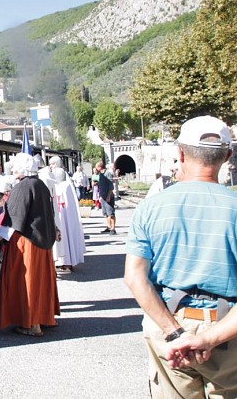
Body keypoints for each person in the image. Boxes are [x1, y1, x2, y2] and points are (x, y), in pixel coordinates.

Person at [124, 115, 237, 397]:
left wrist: (176, 333)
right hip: (229, 329)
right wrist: (209, 338)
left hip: (169, 324)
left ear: (180, 153)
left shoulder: (151, 209)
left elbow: (135, 277)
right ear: (228, 155)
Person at [0, 152, 60, 337]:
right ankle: (42, 317)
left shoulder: (22, 187)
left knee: (26, 280)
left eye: (15, 166)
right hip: (42, 241)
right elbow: (49, 213)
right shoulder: (41, 185)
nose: (13, 169)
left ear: (22, 169)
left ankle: (32, 323)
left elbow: (13, 217)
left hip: (26, 243)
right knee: (41, 280)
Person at [52, 167, 86, 273]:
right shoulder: (55, 186)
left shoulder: (66, 186)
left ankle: (68, 262)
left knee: (67, 237)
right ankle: (59, 262)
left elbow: (70, 204)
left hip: (65, 216)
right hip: (59, 216)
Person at [95, 161, 116, 235]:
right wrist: (100, 196)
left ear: (100, 167)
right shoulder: (101, 174)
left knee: (111, 213)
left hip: (108, 196)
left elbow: (111, 186)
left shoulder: (108, 174)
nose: (95, 168)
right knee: (106, 214)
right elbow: (101, 186)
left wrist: (108, 196)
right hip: (103, 197)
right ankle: (108, 227)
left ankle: (113, 229)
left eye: (96, 167)